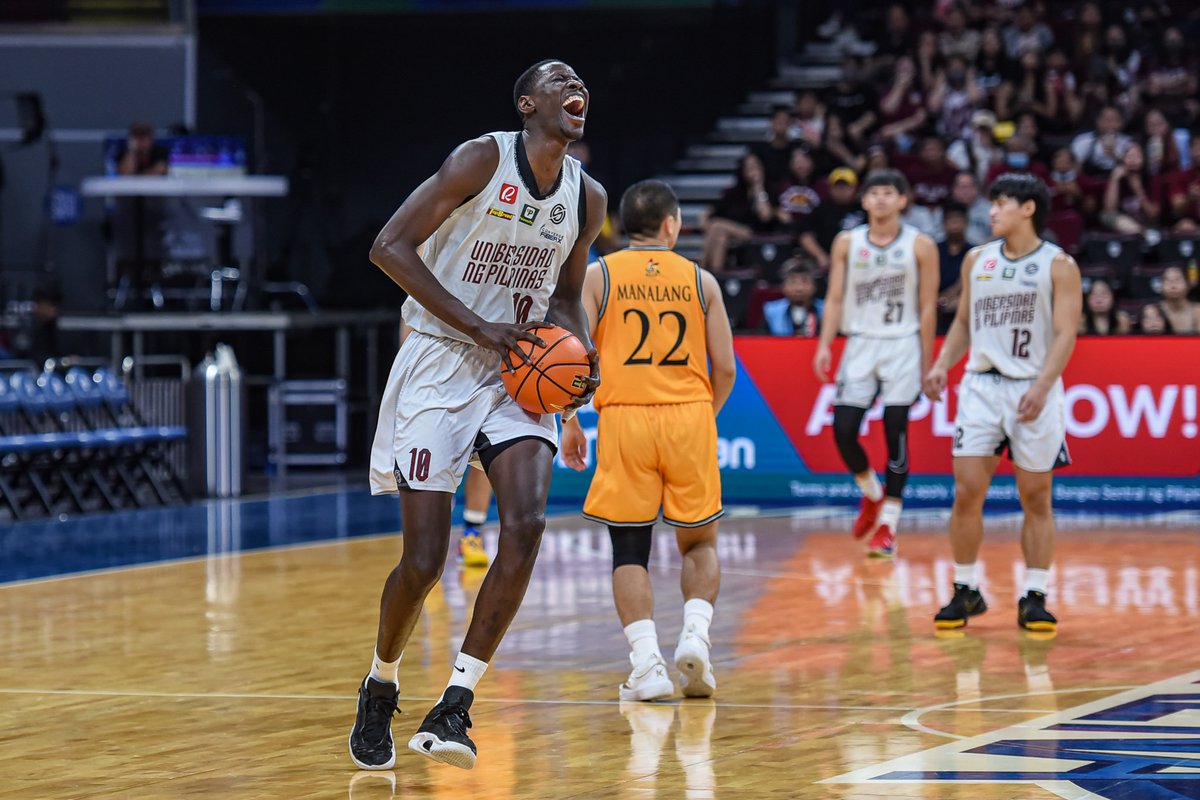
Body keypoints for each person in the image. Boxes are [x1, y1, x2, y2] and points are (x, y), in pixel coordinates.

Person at [351, 59, 605, 772]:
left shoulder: (588, 198)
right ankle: (381, 681)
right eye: (558, 81)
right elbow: (387, 248)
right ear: (528, 103)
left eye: (579, 80)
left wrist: (580, 361)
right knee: (425, 560)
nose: (574, 87)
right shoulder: (480, 159)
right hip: (441, 358)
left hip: (520, 372)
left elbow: (564, 295)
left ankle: (455, 705)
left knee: (525, 525)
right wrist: (475, 326)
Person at [561, 179, 736, 703]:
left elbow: (574, 357)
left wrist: (569, 417)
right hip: (688, 416)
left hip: (625, 418)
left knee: (629, 548)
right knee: (699, 541)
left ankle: (647, 666)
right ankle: (696, 638)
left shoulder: (599, 275)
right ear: (671, 225)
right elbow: (724, 367)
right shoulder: (701, 280)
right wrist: (703, 416)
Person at [925, 172, 1081, 633]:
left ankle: (1034, 594)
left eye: (1001, 204)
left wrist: (1042, 386)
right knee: (967, 490)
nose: (991, 212)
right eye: (991, 204)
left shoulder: (1058, 265)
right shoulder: (977, 259)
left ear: (1028, 209)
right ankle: (965, 588)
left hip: (1034, 386)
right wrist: (941, 365)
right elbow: (965, 325)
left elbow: (1067, 333)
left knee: (1035, 496)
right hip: (980, 387)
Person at [813, 169, 939, 557]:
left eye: (890, 192)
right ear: (863, 200)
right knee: (843, 429)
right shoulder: (847, 243)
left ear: (903, 200)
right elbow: (834, 298)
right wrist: (824, 344)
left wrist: (928, 360)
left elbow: (928, 304)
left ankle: (889, 524)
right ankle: (871, 493)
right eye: (875, 193)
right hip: (860, 342)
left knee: (895, 431)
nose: (882, 199)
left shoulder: (920, 245)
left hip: (903, 343)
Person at [762, 258, 823, 337]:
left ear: (814, 286)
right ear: (784, 287)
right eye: (793, 282)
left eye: (805, 281)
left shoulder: (827, 310)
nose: (799, 289)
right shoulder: (771, 311)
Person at [1159, 265, 1200, 334]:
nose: (1173, 285)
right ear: (1161, 287)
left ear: (1188, 284)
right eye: (1168, 281)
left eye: (1177, 280)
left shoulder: (1197, 311)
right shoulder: (1156, 311)